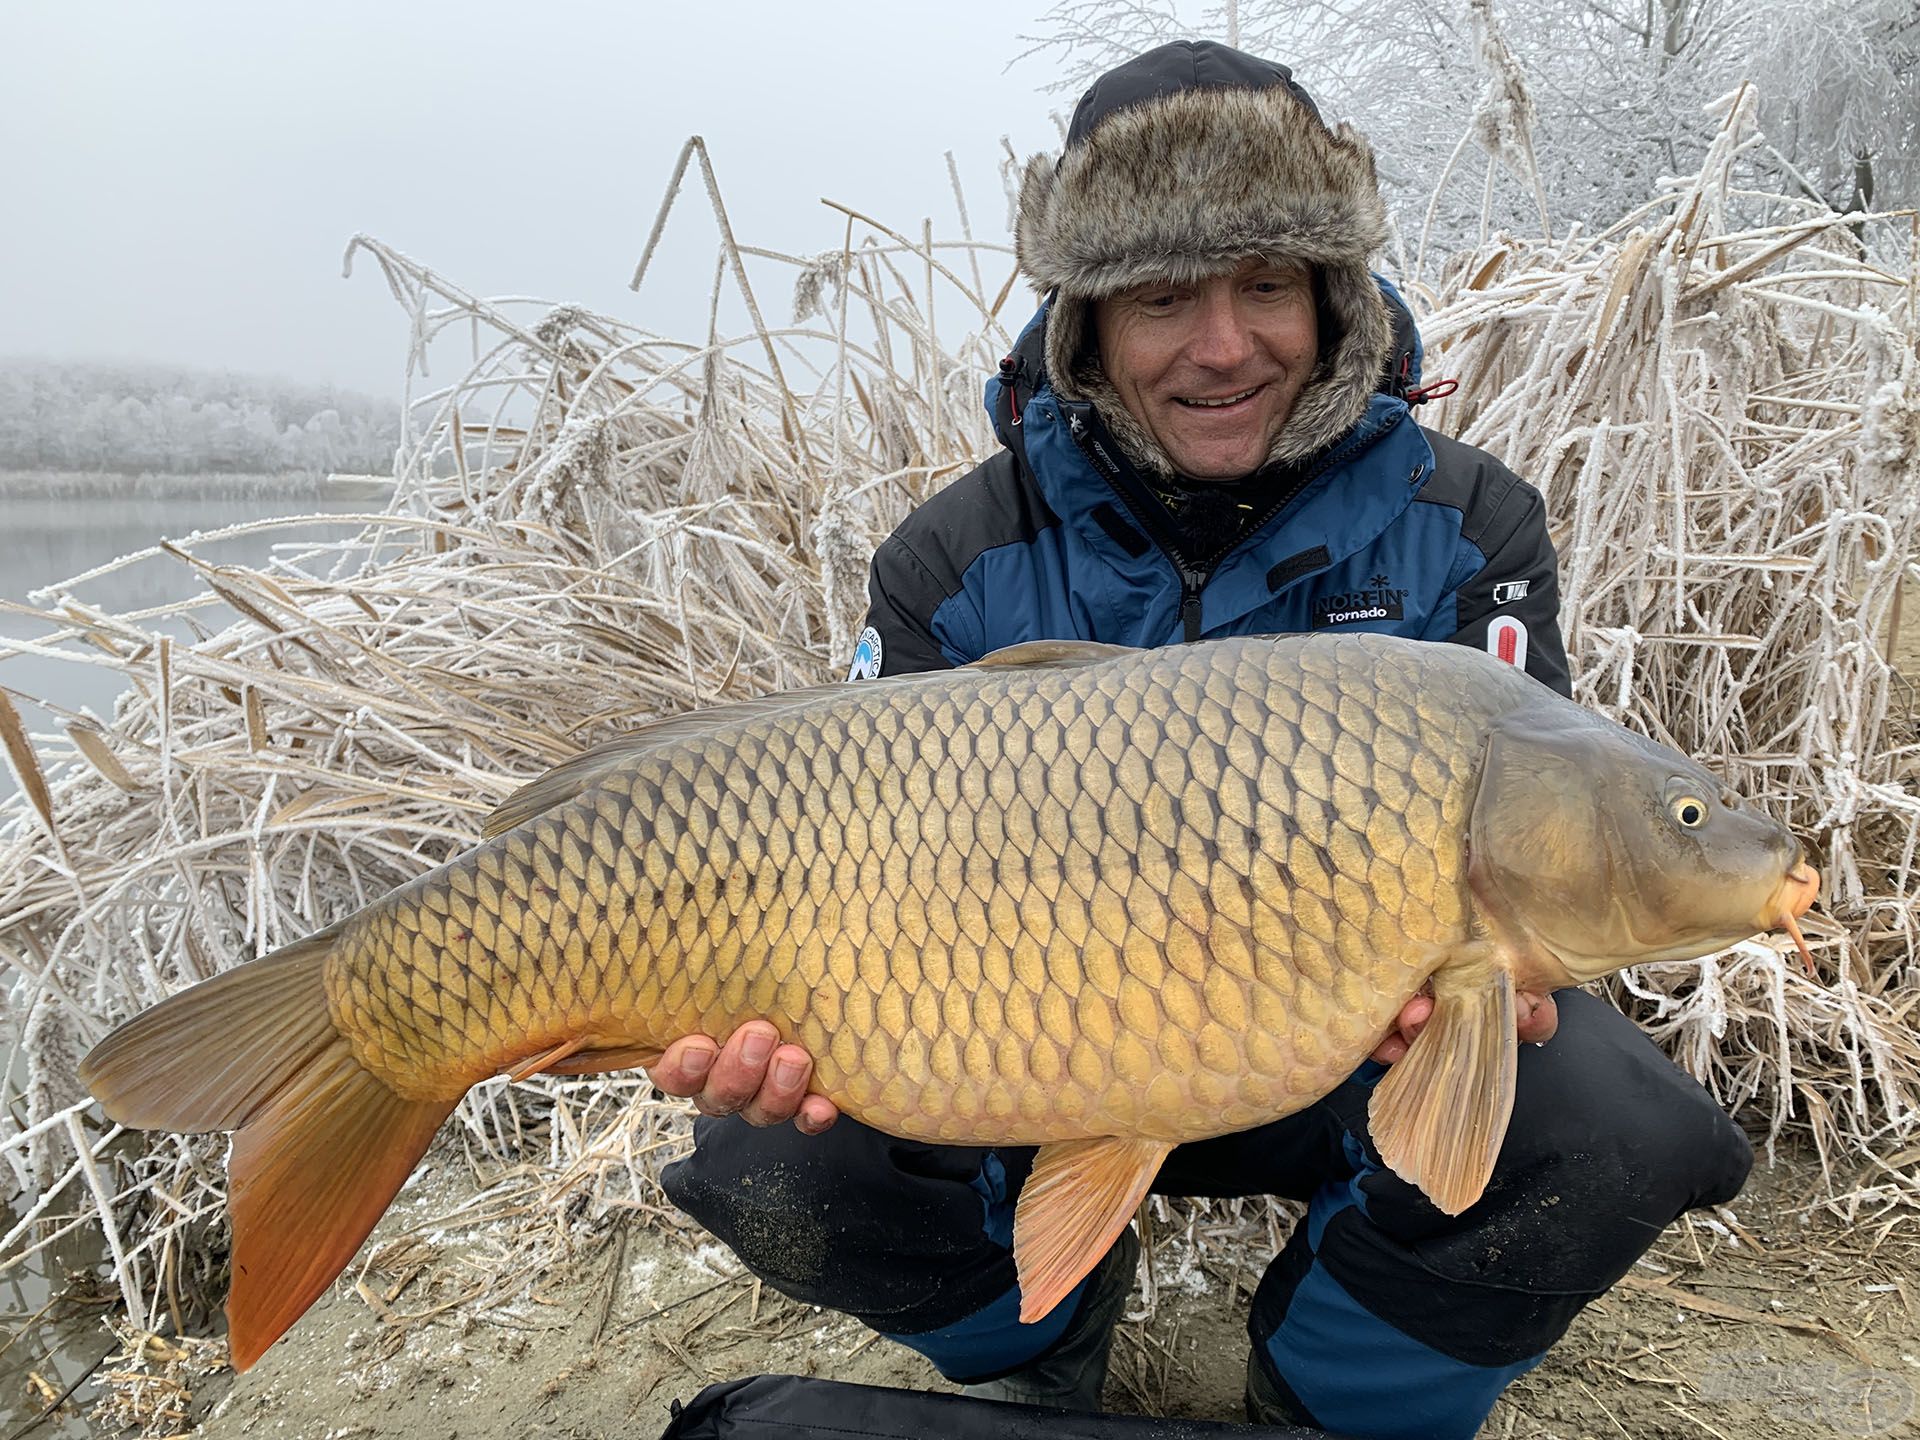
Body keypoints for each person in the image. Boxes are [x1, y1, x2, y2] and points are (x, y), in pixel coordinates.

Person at [643, 42, 1753, 1440]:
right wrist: (773, 1025)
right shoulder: (955, 559)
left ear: (1334, 298)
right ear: (1089, 326)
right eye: (1165, 298)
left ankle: (1329, 1396)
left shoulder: (1471, 525)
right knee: (774, 1152)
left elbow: (1539, 853)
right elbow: (834, 858)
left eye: (1269, 285)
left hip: (1342, 1040)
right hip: (1008, 1043)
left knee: (1607, 1125)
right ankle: (1033, 1343)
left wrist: (1507, 975)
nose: (1225, 345)